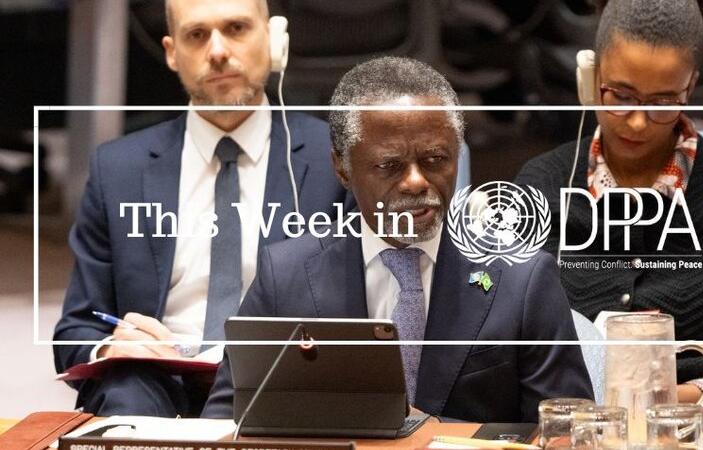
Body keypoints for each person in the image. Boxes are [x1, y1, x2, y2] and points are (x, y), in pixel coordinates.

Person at [202, 56, 594, 422]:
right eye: (389, 165)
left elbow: (567, 433)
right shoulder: (284, 278)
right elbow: (225, 424)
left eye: (435, 160)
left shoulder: (523, 280)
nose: (416, 182)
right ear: (342, 168)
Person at [53, 0, 352, 417]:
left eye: (236, 28)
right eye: (196, 35)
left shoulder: (334, 160)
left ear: (273, 39)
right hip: (151, 383)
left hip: (278, 380)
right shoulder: (117, 168)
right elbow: (76, 329)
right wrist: (110, 346)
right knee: (126, 394)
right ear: (172, 52)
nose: (217, 51)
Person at [515, 0, 703, 431]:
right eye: (620, 95)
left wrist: (647, 406)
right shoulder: (538, 187)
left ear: (691, 86)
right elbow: (500, 347)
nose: (637, 122)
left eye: (663, 102)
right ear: (589, 78)